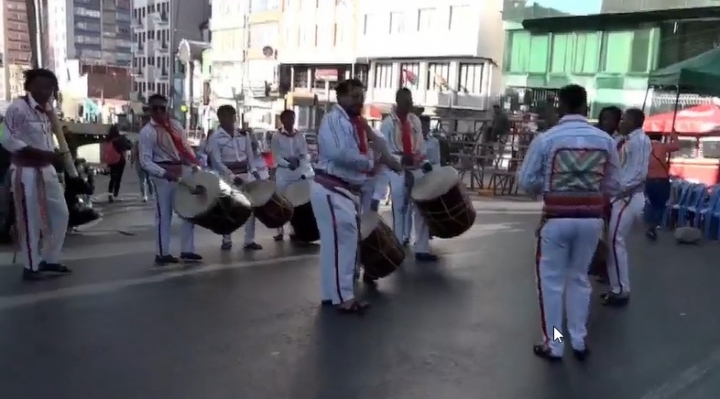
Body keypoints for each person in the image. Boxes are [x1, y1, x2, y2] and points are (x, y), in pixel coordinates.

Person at [517, 84, 622, 362]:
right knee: (579, 280)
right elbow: (615, 184)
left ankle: (556, 341)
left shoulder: (547, 139)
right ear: (585, 107)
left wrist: (551, 185)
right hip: (590, 221)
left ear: (561, 105)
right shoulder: (605, 141)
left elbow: (526, 181)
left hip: (557, 219)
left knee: (551, 285)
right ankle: (578, 339)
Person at [311, 78, 390, 313]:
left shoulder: (356, 123)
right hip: (332, 188)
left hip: (343, 190)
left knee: (335, 245)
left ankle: (331, 294)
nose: (359, 101)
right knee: (343, 245)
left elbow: (378, 145)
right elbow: (339, 153)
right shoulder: (334, 119)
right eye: (354, 96)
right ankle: (344, 297)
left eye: (361, 96)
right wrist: (369, 161)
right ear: (341, 97)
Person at [0, 68, 71, 280]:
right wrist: (39, 153)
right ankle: (31, 266)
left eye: (49, 87)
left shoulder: (48, 110)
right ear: (29, 86)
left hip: (46, 169)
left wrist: (54, 155)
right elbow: (5, 138)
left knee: (61, 214)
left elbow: (48, 139)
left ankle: (49, 259)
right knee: (29, 219)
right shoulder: (17, 108)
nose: (45, 90)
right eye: (41, 86)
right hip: (26, 170)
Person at [138, 93, 203, 265]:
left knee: (188, 211)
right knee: (163, 215)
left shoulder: (176, 126)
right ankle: (162, 252)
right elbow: (145, 160)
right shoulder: (147, 132)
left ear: (167, 109)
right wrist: (163, 173)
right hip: (163, 177)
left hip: (180, 171)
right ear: (150, 110)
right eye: (155, 108)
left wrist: (193, 163)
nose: (159, 111)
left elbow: (185, 148)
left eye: (162, 108)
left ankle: (188, 250)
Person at [381, 88, 437, 261]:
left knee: (422, 205)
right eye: (405, 100)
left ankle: (422, 249)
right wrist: (399, 162)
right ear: (398, 101)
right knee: (399, 207)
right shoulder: (388, 123)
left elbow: (420, 145)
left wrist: (421, 161)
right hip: (396, 165)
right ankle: (398, 245)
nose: (408, 103)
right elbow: (384, 149)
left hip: (415, 164)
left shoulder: (415, 121)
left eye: (410, 99)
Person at [604, 108, 651, 306]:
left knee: (615, 240)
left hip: (628, 197)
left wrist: (619, 189)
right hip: (620, 196)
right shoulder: (623, 140)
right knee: (613, 241)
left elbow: (639, 173)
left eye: (624, 119)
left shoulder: (640, 141)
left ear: (634, 121)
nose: (620, 122)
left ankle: (622, 288)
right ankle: (616, 286)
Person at [207, 105, 263, 251]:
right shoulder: (215, 137)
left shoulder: (244, 135)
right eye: (226, 116)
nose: (231, 120)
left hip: (245, 175)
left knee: (251, 208)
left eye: (232, 116)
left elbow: (250, 156)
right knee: (228, 209)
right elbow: (217, 162)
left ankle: (249, 240)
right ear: (220, 118)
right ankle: (227, 239)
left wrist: (254, 171)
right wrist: (232, 176)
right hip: (227, 178)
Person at [272, 109, 312, 242]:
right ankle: (279, 230)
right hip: (283, 173)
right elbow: (276, 156)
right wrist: (287, 163)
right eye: (288, 118)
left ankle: (295, 230)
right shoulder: (277, 136)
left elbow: (305, 153)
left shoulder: (300, 135)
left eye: (293, 118)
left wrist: (300, 161)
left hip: (297, 171)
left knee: (297, 202)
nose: (291, 121)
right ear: (282, 120)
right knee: (281, 202)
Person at [645, 132, 680, 239]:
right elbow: (677, 146)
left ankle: (650, 225)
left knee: (652, 203)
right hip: (661, 180)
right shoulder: (662, 146)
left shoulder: (645, 148)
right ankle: (653, 227)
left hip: (648, 180)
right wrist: (674, 135)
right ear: (660, 138)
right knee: (661, 205)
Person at [102, 125, 131, 202]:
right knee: (118, 178)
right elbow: (129, 146)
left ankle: (110, 195)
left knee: (112, 178)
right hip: (120, 160)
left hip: (111, 161)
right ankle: (115, 194)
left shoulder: (108, 139)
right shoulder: (120, 139)